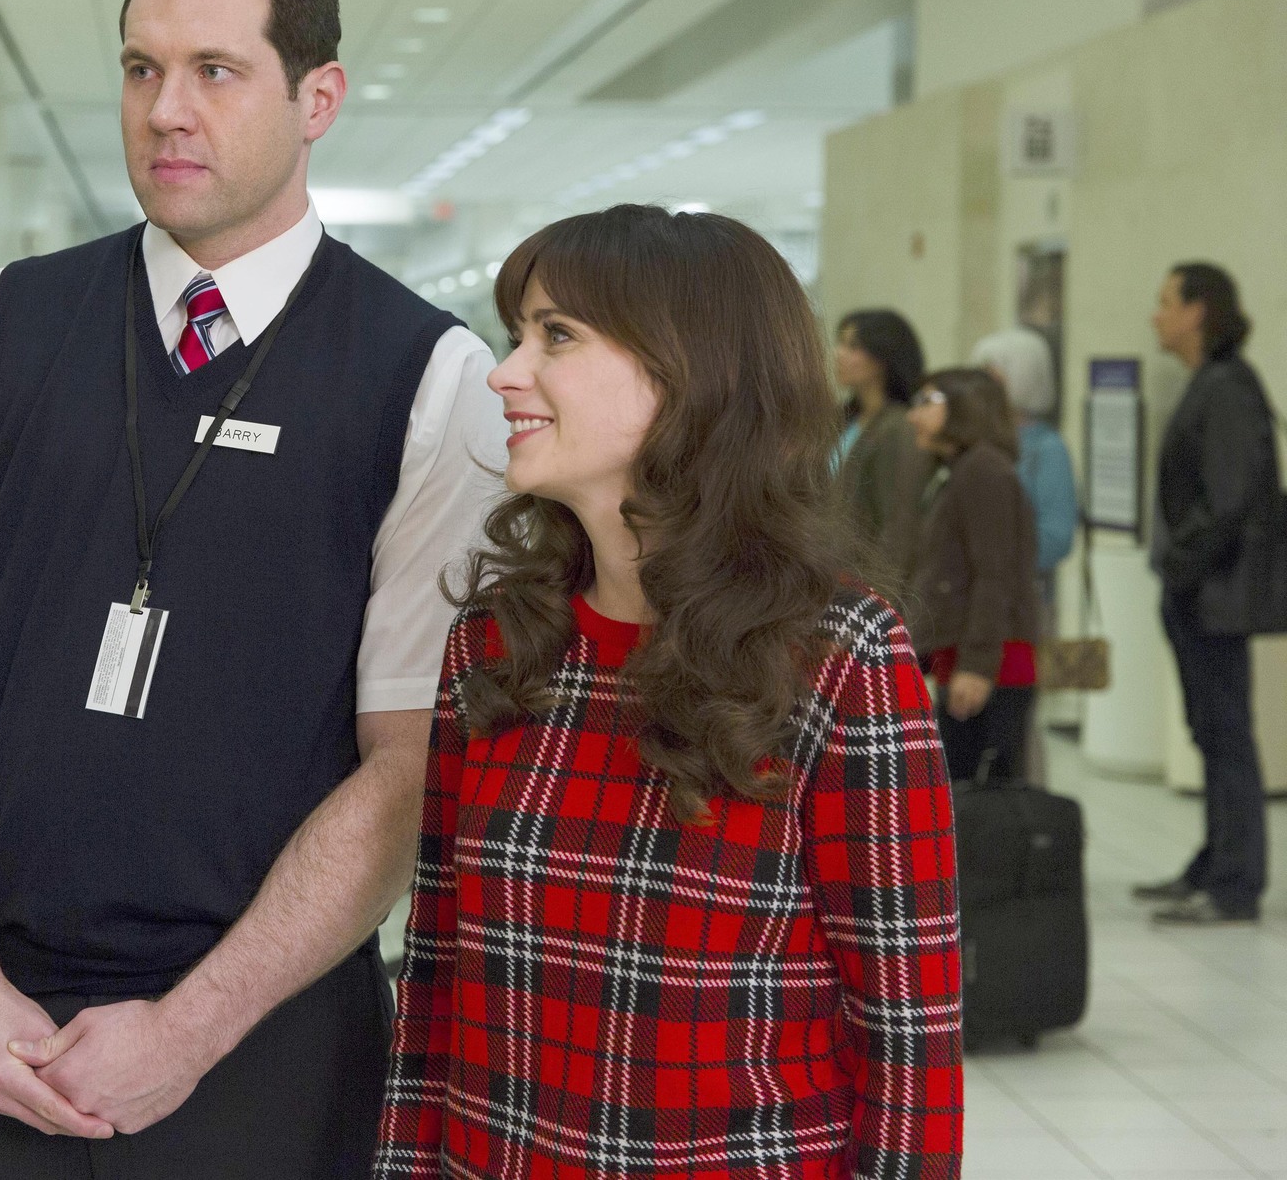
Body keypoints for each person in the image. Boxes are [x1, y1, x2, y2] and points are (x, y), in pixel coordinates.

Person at [0, 0, 503, 1177]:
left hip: (265, 1037)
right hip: (3, 1033)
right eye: (140, 70)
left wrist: (189, 1031)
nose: (165, 111)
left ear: (318, 99)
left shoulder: (427, 377)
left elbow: (407, 763)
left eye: (214, 70)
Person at [378, 207, 962, 1179]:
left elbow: (907, 1042)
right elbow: (434, 982)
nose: (504, 371)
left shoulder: (835, 658)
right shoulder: (495, 643)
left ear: (685, 373)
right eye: (516, 333)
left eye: (554, 336)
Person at [1135, 262, 1279, 926]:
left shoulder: (1226, 387)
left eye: (1166, 302)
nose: (1155, 315)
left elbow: (1226, 502)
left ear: (1198, 311)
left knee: (1226, 735)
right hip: (1202, 591)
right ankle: (1215, 861)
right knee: (1211, 730)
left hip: (1215, 596)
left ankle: (1234, 882)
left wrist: (1179, 570)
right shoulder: (1213, 383)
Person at [907, 368, 1044, 782]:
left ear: (965, 408)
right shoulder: (958, 469)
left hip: (991, 661)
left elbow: (994, 574)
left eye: (927, 403)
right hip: (968, 653)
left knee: (984, 800)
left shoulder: (984, 471)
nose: (914, 416)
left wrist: (978, 666)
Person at [972, 327, 1078, 602]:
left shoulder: (1048, 449)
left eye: (992, 373)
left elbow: (1057, 535)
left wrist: (991, 557)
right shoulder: (976, 441)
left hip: (1019, 599)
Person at [833, 308, 931, 582]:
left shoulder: (899, 428)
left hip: (869, 585)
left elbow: (899, 525)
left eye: (853, 346)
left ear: (882, 358)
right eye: (839, 343)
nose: (838, 354)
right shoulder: (844, 420)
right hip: (834, 575)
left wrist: (880, 597)